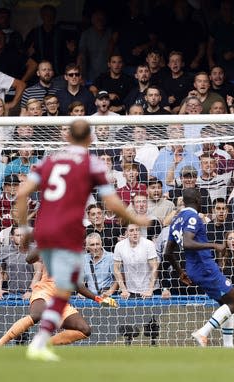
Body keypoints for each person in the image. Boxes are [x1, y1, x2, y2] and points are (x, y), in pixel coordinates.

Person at [17, 119, 150, 361]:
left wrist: (25, 228)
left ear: (67, 138)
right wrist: (134, 218)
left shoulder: (49, 160)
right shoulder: (92, 163)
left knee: (65, 284)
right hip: (67, 229)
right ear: (90, 139)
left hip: (44, 228)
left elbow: (23, 193)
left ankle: (40, 340)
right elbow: (110, 202)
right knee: (66, 286)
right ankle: (41, 340)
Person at [164, 188, 234, 348]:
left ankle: (229, 347)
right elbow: (187, 242)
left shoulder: (176, 221)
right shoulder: (192, 217)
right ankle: (203, 332)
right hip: (204, 267)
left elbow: (167, 253)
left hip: (193, 268)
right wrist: (214, 245)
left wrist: (180, 272)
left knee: (225, 304)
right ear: (199, 200)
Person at [0, 250, 118, 347]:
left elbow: (77, 285)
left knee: (85, 330)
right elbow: (29, 259)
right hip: (44, 290)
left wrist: (99, 299)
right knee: (37, 315)